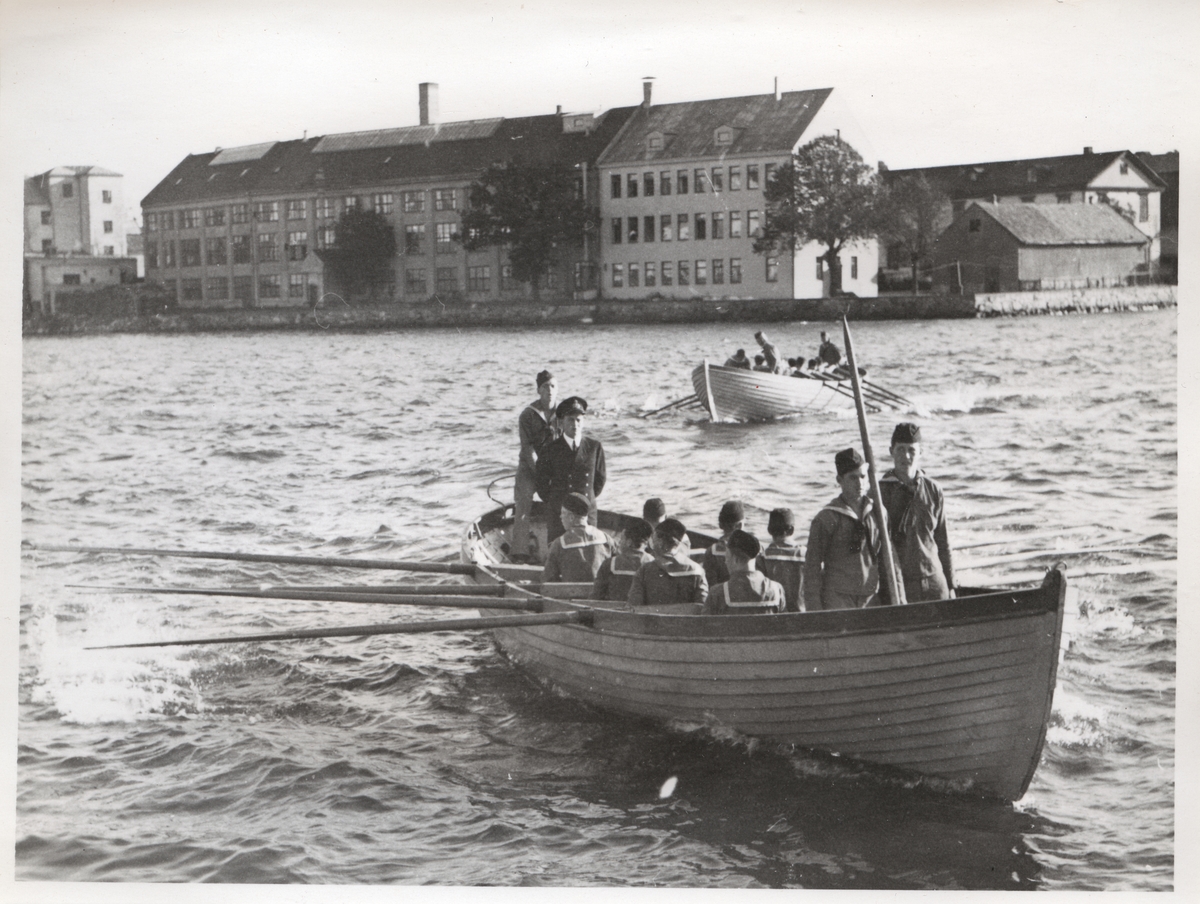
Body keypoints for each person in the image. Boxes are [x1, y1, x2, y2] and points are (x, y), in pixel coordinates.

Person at [803, 448, 898, 610]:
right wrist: (815, 612)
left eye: (862, 476)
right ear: (839, 479)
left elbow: (890, 559)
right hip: (837, 600)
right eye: (853, 478)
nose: (860, 483)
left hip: (870, 598)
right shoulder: (826, 519)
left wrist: (899, 599)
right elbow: (812, 569)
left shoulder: (878, 514)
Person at [878, 423, 956, 602]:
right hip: (900, 587)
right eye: (900, 449)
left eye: (912, 450)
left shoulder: (933, 489)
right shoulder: (879, 492)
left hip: (935, 582)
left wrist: (951, 585)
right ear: (891, 451)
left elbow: (943, 541)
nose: (906, 456)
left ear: (921, 452)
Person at [536, 396, 606, 545]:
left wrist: (586, 500)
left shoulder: (594, 447)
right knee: (558, 556)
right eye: (571, 420)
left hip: (587, 514)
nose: (575, 424)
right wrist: (557, 504)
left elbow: (599, 481)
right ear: (561, 423)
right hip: (560, 515)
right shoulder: (550, 450)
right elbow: (541, 485)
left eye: (578, 420)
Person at [513, 370, 558, 560]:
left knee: (559, 505)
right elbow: (527, 449)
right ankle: (519, 553)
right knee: (523, 505)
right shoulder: (527, 415)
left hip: (554, 467)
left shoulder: (564, 413)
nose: (550, 390)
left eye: (553, 386)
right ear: (539, 390)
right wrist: (540, 475)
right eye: (546, 387)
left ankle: (557, 552)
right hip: (529, 467)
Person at [628, 518, 709, 607]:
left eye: (654, 537)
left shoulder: (644, 571)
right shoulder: (697, 571)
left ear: (660, 542)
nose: (652, 542)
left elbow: (634, 608)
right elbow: (702, 607)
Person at [705, 530, 786, 615]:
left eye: (727, 557)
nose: (725, 562)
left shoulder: (717, 593)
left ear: (735, 560)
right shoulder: (777, 590)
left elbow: (704, 625)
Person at [542, 492, 613, 583]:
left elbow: (548, 579)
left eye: (563, 513)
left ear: (571, 517)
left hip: (570, 595)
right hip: (599, 595)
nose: (560, 517)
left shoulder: (559, 544)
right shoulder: (606, 539)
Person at [592, 518, 655, 602]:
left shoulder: (609, 564)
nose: (619, 542)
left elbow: (596, 597)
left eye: (621, 538)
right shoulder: (655, 564)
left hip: (614, 614)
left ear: (629, 542)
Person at [761, 507, 805, 612]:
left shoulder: (763, 557)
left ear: (769, 530)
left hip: (775, 618)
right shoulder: (806, 555)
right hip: (802, 617)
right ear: (792, 530)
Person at [702, 500, 747, 588]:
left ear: (720, 525)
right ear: (740, 525)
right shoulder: (754, 549)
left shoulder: (711, 552)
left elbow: (710, 586)